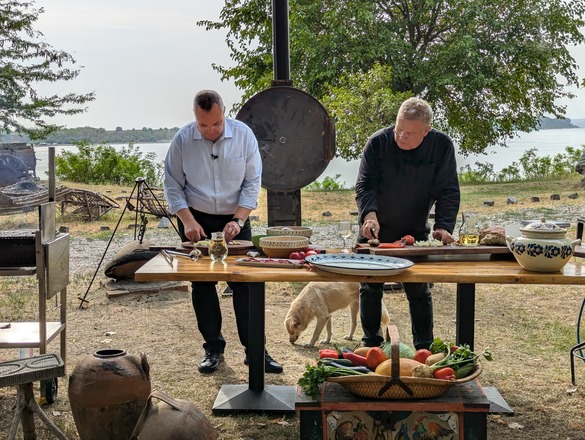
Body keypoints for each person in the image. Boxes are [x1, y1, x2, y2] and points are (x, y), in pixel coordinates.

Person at [164, 90, 283, 374]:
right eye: (203, 125)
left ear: (224, 113)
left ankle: (256, 350)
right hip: (196, 219)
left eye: (216, 124)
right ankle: (213, 349)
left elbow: (253, 181)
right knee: (202, 285)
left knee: (246, 282)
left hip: (235, 217)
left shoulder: (244, 136)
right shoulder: (182, 140)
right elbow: (172, 185)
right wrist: (188, 221)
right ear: (195, 118)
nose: (210, 131)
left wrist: (239, 220)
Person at [355, 97, 460, 350]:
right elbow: (364, 185)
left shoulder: (441, 145)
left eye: (409, 133)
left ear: (426, 131)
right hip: (376, 227)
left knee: (419, 289)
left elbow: (448, 190)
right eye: (398, 128)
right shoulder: (378, 143)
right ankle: (371, 344)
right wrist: (369, 215)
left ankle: (423, 347)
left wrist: (444, 226)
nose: (401, 136)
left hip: (415, 228)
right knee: (370, 287)